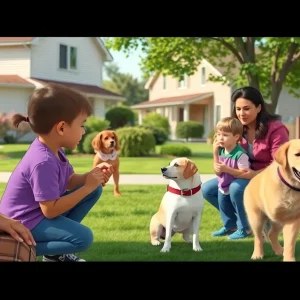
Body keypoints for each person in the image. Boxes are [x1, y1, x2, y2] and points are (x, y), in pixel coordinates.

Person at [0, 83, 114, 262]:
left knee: (95, 189)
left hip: (35, 214)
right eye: (81, 125)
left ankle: (55, 253)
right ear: (61, 128)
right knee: (83, 238)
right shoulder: (42, 161)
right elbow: (50, 211)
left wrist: (89, 178)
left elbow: (68, 181)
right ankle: (27, 248)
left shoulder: (54, 149)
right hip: (23, 222)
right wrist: (86, 187)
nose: (84, 131)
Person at [202, 86, 290, 240]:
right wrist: (216, 151)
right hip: (241, 174)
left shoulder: (276, 129)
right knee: (208, 189)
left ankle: (249, 227)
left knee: (236, 188)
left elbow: (281, 164)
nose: (241, 113)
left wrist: (255, 174)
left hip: (268, 178)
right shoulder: (236, 129)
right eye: (238, 109)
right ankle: (234, 224)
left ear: (259, 107)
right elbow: (225, 158)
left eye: (247, 108)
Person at [213, 117, 251, 238]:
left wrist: (227, 170)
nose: (220, 138)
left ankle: (244, 228)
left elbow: (244, 172)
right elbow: (217, 172)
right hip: (223, 184)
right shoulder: (221, 151)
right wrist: (214, 153)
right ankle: (230, 226)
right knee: (224, 207)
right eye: (218, 134)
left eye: (225, 135)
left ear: (236, 137)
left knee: (239, 207)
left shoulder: (240, 154)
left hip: (236, 186)